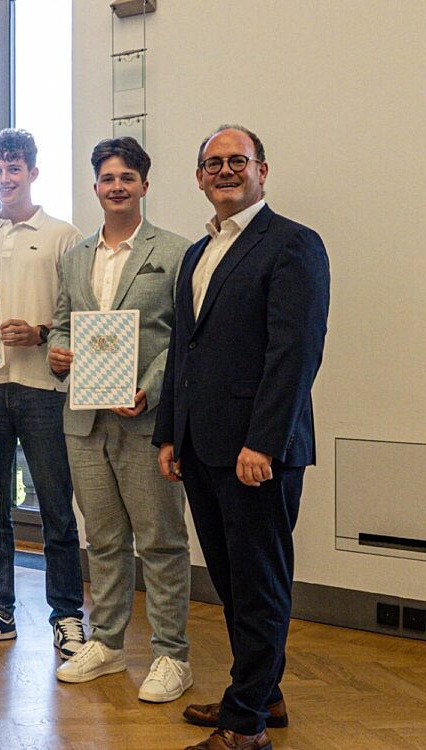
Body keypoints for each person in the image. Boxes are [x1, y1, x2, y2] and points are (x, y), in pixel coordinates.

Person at [153, 125, 329, 750]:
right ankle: (264, 692)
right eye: (212, 163)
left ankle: (245, 725)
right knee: (230, 581)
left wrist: (264, 442)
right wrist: (168, 434)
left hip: (257, 453)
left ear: (262, 169)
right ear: (200, 176)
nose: (225, 171)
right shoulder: (199, 254)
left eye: (237, 161)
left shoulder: (292, 245)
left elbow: (295, 353)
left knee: (259, 583)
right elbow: (183, 352)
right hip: (200, 447)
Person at [47, 137, 193, 701]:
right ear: (96, 188)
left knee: (160, 542)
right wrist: (59, 354)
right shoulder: (77, 255)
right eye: (107, 178)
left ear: (144, 185)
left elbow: (184, 338)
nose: (116, 187)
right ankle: (107, 644)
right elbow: (63, 324)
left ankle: (171, 655)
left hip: (144, 419)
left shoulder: (176, 251)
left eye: (127, 177)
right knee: (103, 539)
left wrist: (150, 390)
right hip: (84, 419)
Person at [0, 129, 86, 658]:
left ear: (33, 172)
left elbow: (77, 312)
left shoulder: (63, 235)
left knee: (55, 509)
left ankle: (67, 614)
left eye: (15, 169)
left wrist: (42, 333)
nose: (6, 179)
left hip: (44, 389)